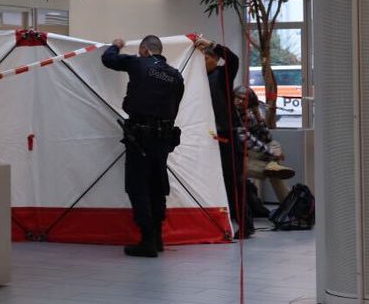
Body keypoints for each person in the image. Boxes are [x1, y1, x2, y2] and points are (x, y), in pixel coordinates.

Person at [102, 35, 185, 258]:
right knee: (158, 187)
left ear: (145, 50)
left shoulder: (138, 63)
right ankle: (157, 238)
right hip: (163, 138)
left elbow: (108, 60)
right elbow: (175, 106)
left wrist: (116, 45)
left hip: (140, 137)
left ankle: (147, 240)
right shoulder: (175, 75)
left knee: (137, 186)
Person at [196, 37, 251, 238]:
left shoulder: (221, 75)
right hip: (211, 137)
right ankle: (227, 221)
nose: (202, 62)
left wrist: (211, 44)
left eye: (206, 57)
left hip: (226, 135)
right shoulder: (199, 78)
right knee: (218, 181)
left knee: (232, 181)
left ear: (214, 59)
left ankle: (245, 225)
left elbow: (233, 59)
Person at [235, 86, 294, 203]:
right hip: (240, 155)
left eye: (244, 99)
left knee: (274, 145)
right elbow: (246, 138)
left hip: (253, 152)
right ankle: (288, 204)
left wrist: (258, 116)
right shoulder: (232, 115)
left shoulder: (250, 114)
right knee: (273, 169)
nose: (240, 101)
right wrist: (271, 152)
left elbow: (267, 138)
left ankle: (272, 166)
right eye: (238, 98)